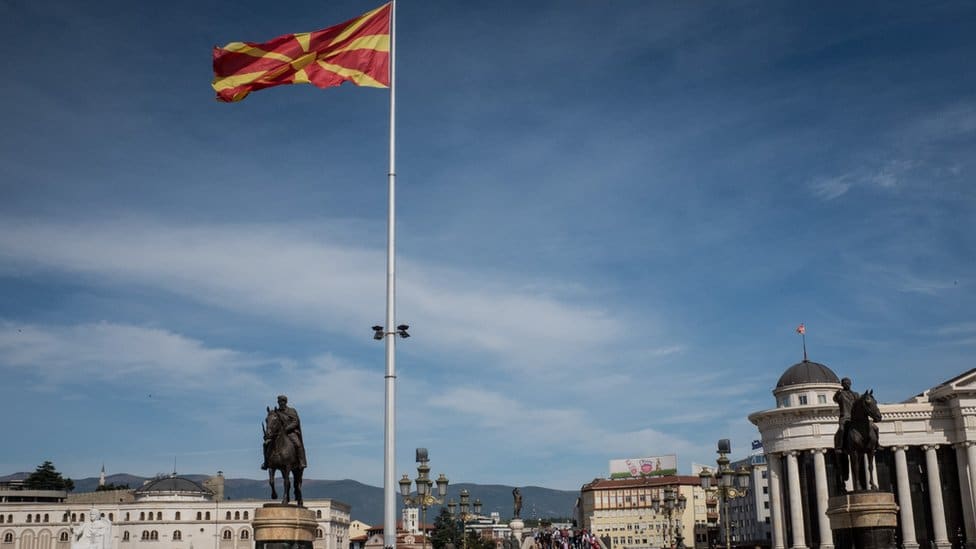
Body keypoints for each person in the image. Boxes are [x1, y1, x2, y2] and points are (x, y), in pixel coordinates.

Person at [263, 394, 307, 469]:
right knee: (266, 444)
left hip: (290, 432)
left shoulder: (291, 411)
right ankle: (266, 462)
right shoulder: (276, 412)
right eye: (279, 402)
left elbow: (295, 421)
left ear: (285, 402)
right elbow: (272, 422)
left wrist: (286, 428)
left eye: (282, 401)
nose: (280, 403)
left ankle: (301, 461)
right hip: (277, 434)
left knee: (298, 444)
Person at [833, 377, 859, 451]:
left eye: (848, 383)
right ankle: (839, 446)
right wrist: (837, 394)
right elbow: (835, 399)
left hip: (855, 417)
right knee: (841, 429)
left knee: (873, 427)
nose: (846, 384)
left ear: (850, 384)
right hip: (845, 417)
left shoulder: (856, 394)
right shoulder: (840, 394)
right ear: (842, 385)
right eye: (845, 383)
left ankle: (876, 443)